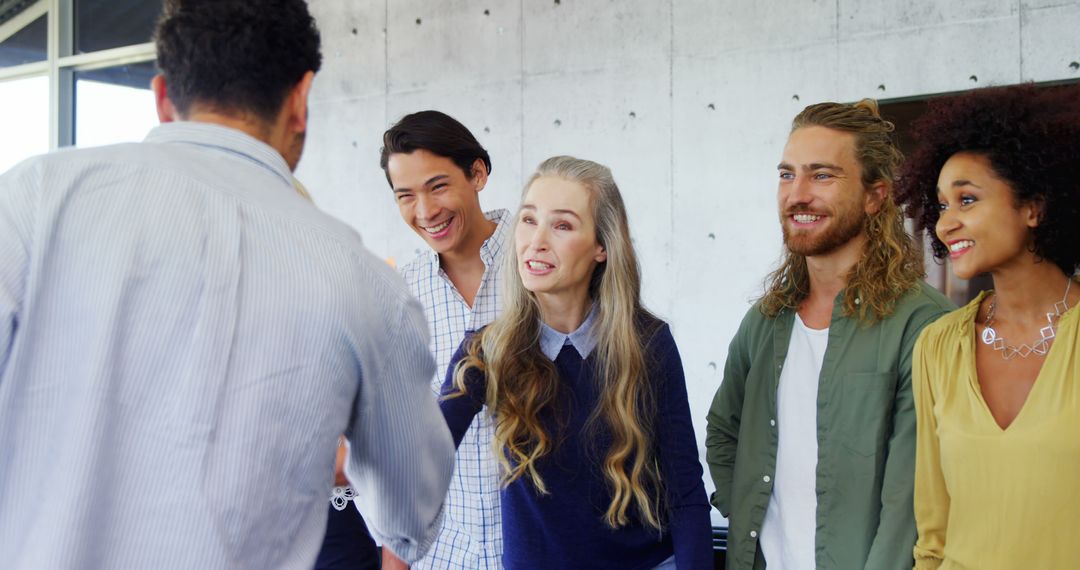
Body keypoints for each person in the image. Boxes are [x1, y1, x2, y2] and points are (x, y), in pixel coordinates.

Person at [0, 1, 454, 568]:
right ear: (299, 99)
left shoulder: (29, 202)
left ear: (163, 97)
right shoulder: (361, 280)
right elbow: (411, 511)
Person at [705, 100, 954, 569]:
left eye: (822, 175)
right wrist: (747, 512)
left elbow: (909, 504)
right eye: (787, 174)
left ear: (875, 195)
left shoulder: (923, 324)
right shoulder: (766, 320)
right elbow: (722, 433)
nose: (797, 194)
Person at [439, 156, 713, 569]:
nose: (536, 241)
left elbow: (685, 492)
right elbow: (417, 458)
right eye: (529, 220)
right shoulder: (486, 351)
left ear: (602, 246)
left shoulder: (648, 342)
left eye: (562, 225)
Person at [893, 84, 1080, 569]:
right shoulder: (937, 345)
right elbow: (933, 532)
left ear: (1033, 207)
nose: (945, 223)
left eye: (967, 200)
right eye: (941, 206)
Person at [372, 110, 511, 569]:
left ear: (477, 173)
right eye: (405, 196)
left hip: (542, 551)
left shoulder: (539, 264)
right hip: (445, 557)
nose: (425, 212)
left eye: (437, 186)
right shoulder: (400, 296)